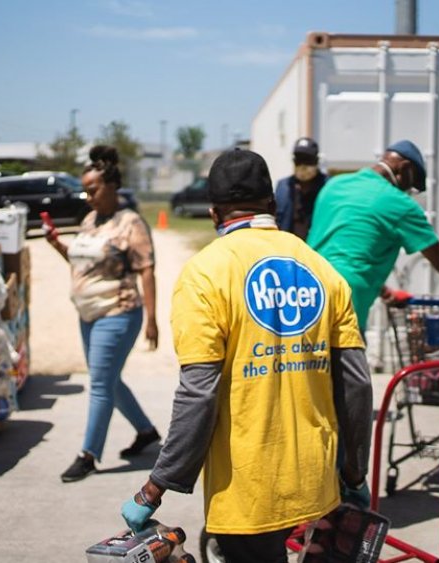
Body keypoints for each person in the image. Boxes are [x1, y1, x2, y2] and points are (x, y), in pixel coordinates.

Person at [119, 149, 374, 563]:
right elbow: (356, 385)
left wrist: (156, 487)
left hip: (248, 490)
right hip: (315, 480)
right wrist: (354, 471)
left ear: (214, 214)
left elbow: (198, 395)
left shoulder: (204, 275)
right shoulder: (322, 270)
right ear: (273, 206)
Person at [44, 144, 161, 483]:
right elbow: (85, 266)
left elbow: (147, 270)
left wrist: (152, 319)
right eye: (85, 191)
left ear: (111, 186)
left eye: (92, 190)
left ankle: (88, 455)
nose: (88, 196)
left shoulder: (131, 223)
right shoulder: (89, 221)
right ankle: (146, 431)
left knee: (99, 382)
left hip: (119, 312)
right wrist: (58, 246)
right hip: (89, 315)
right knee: (108, 379)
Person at [306, 139, 439, 332]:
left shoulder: (334, 185)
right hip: (346, 301)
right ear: (404, 168)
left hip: (305, 290)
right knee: (347, 359)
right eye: (411, 185)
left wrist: (383, 290)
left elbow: (344, 247)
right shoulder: (400, 204)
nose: (408, 191)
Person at [274, 137, 328, 240]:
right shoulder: (283, 187)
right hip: (288, 249)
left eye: (307, 160)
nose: (303, 165)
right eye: (299, 160)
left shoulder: (328, 186)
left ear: (316, 161)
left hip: (317, 249)